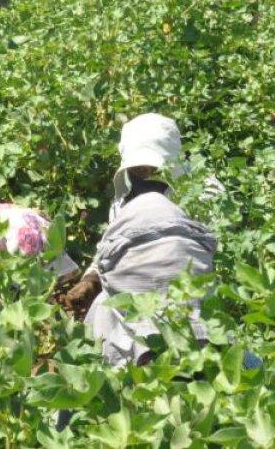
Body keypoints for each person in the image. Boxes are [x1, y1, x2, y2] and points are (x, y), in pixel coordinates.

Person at [57, 114, 216, 368]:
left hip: (191, 294)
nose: (145, 171)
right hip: (133, 295)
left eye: (152, 166)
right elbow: (112, 246)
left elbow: (211, 250)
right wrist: (91, 279)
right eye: (139, 166)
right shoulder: (124, 199)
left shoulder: (205, 192)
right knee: (102, 319)